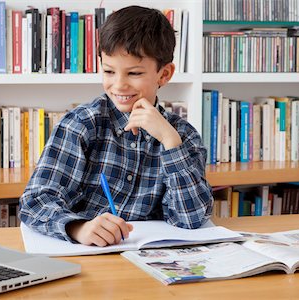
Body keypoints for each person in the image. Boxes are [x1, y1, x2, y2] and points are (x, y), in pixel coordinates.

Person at [19, 5, 213, 247]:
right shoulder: (80, 125)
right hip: (89, 257)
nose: (119, 85)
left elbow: (191, 218)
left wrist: (170, 142)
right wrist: (78, 228)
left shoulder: (182, 136)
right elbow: (35, 201)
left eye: (133, 73)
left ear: (164, 75)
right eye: (109, 71)